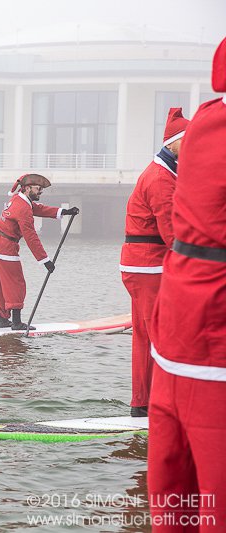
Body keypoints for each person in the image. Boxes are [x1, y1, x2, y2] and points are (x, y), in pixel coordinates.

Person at [147, 38, 226, 531]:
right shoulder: (159, 177)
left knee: (174, 494)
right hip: (212, 327)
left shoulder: (208, 123)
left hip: (177, 313)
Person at [120, 107, 188, 418]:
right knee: (160, 336)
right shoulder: (161, 177)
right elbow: (172, 234)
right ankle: (159, 405)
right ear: (174, 143)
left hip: (141, 265)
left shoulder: (164, 172)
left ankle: (142, 404)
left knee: (145, 335)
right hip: (148, 267)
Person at [0, 174, 79, 330]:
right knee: (16, 284)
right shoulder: (22, 209)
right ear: (27, 188)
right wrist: (45, 261)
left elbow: (38, 208)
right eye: (38, 188)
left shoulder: (18, 199)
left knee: (2, 285)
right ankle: (16, 323)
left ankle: (3, 319)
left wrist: (65, 212)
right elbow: (31, 237)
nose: (41, 191)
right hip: (6, 249)